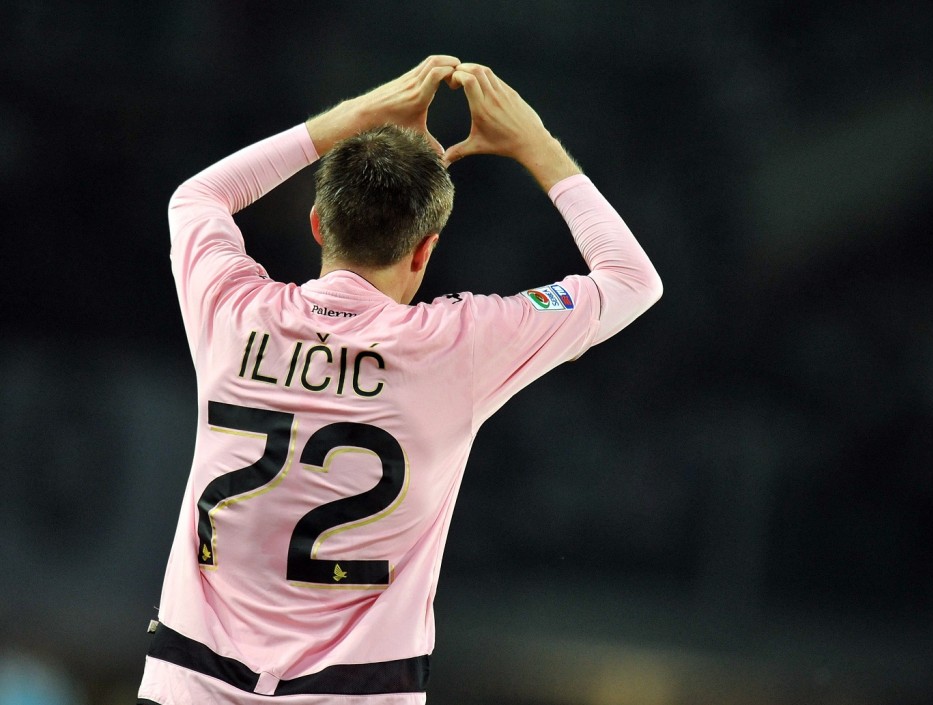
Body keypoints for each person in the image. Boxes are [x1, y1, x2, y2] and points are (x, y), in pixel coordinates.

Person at [137, 55, 662, 705]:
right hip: (358, 692)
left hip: (191, 678)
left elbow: (197, 197)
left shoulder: (234, 312)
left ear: (317, 224)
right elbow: (632, 281)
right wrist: (536, 144)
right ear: (425, 248)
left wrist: (349, 118)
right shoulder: (455, 347)